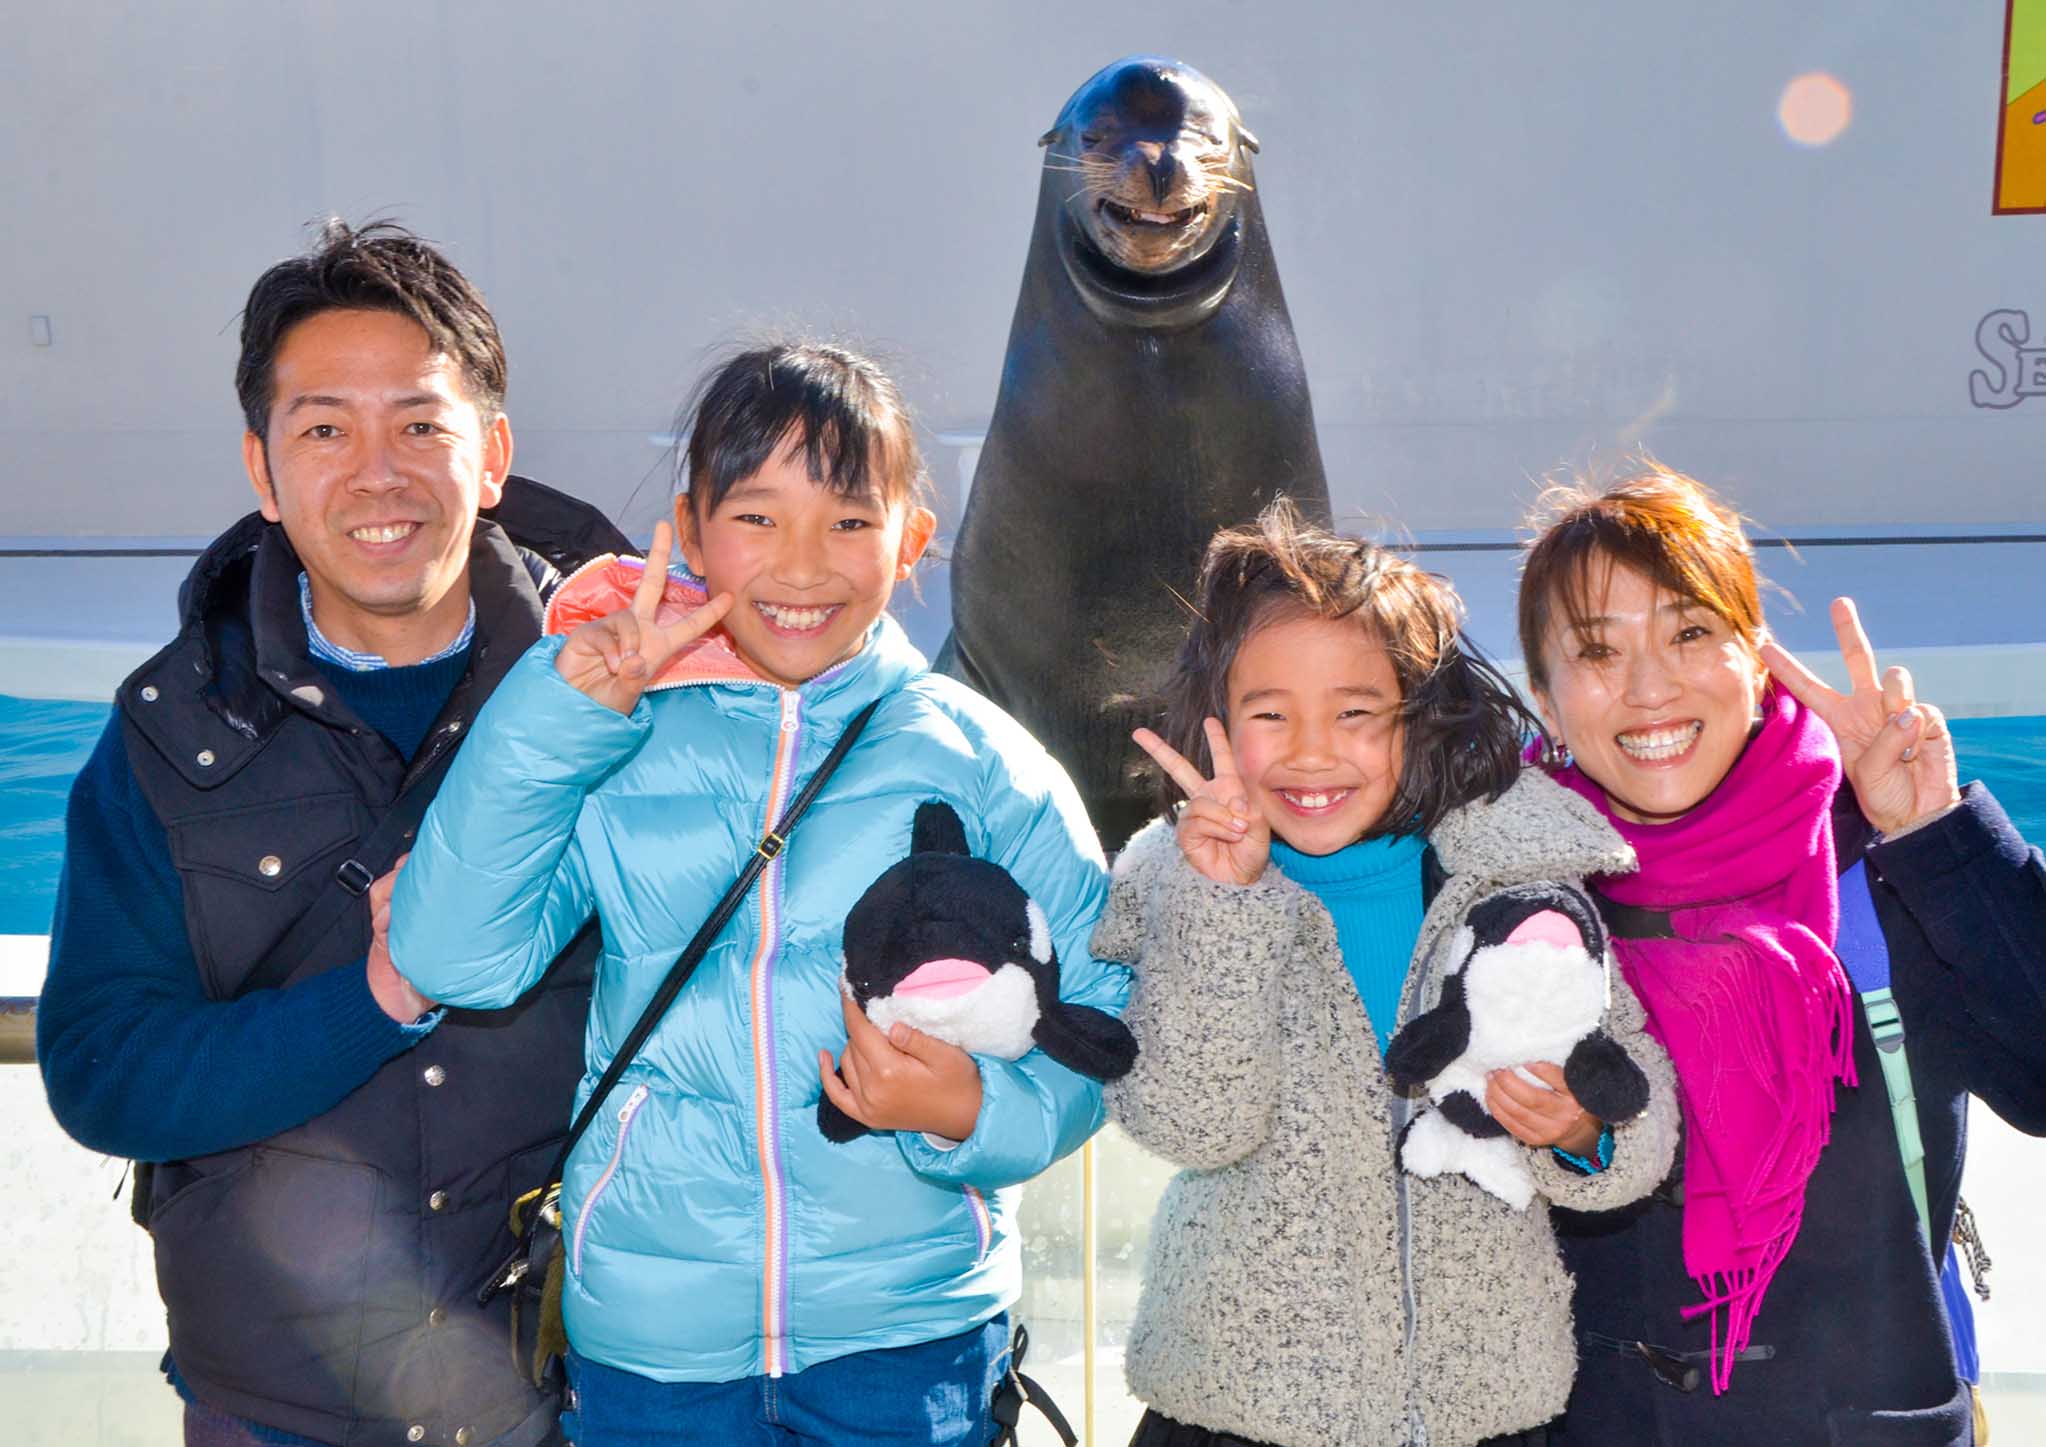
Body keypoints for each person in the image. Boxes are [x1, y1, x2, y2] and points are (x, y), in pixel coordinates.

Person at [386, 342, 1131, 1447]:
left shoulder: (982, 759)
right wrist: (554, 714)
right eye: (758, 517)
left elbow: (1099, 1021)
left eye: (847, 521)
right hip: (650, 1349)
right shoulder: (613, 740)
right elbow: (452, 955)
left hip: (911, 1341)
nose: (801, 565)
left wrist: (968, 1115)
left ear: (911, 543)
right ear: (687, 531)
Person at [35, 220, 629, 1446]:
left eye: (421, 424)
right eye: (324, 429)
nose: (378, 474)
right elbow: (102, 1071)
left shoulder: (620, 693)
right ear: (262, 468)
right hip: (273, 1409)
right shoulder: (167, 730)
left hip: (572, 1392)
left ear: (494, 452)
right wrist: (378, 992)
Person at [1092, 500, 1679, 1447]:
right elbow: (1190, 1120)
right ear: (1215, 723)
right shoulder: (1178, 883)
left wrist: (1584, 1131)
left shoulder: (1513, 876)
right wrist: (1226, 904)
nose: (1314, 751)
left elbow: (1638, 1096)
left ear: (1418, 718)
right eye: (1269, 714)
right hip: (1238, 1412)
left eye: (1357, 714)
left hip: (1479, 1415)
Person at [1518, 464, 2046, 1445]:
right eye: (1597, 651)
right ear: (1545, 697)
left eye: (1688, 633)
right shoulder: (1504, 895)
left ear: (1754, 658)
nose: (1648, 687)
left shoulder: (1881, 861)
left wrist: (1938, 834)